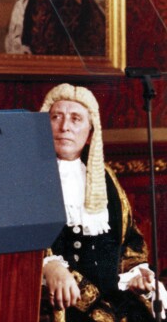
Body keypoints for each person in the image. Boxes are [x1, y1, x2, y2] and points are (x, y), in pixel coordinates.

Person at [39, 83, 166, 321]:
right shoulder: (27, 175)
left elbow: (129, 240)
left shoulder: (104, 176)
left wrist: (136, 273)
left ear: (90, 130)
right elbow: (16, 241)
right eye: (56, 117)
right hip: (63, 299)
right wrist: (49, 266)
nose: (65, 127)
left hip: (112, 295)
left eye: (76, 119)